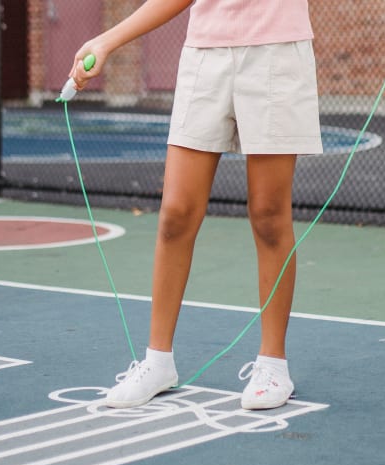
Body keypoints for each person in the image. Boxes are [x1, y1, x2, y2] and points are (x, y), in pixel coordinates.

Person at [68, 0, 323, 410]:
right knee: (176, 214)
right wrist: (107, 41)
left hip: (277, 52)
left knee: (268, 215)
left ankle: (273, 365)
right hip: (205, 55)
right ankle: (157, 362)